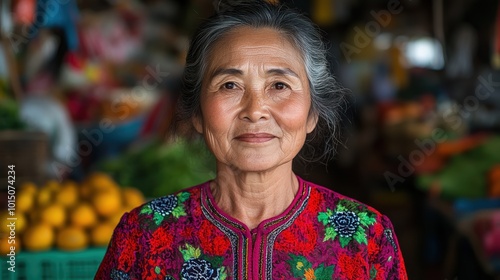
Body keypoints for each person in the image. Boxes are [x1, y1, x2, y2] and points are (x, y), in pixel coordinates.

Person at [96, 1, 408, 279]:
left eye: (280, 85)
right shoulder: (143, 235)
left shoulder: (367, 238)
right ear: (197, 114)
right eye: (230, 85)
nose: (255, 110)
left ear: (312, 113)